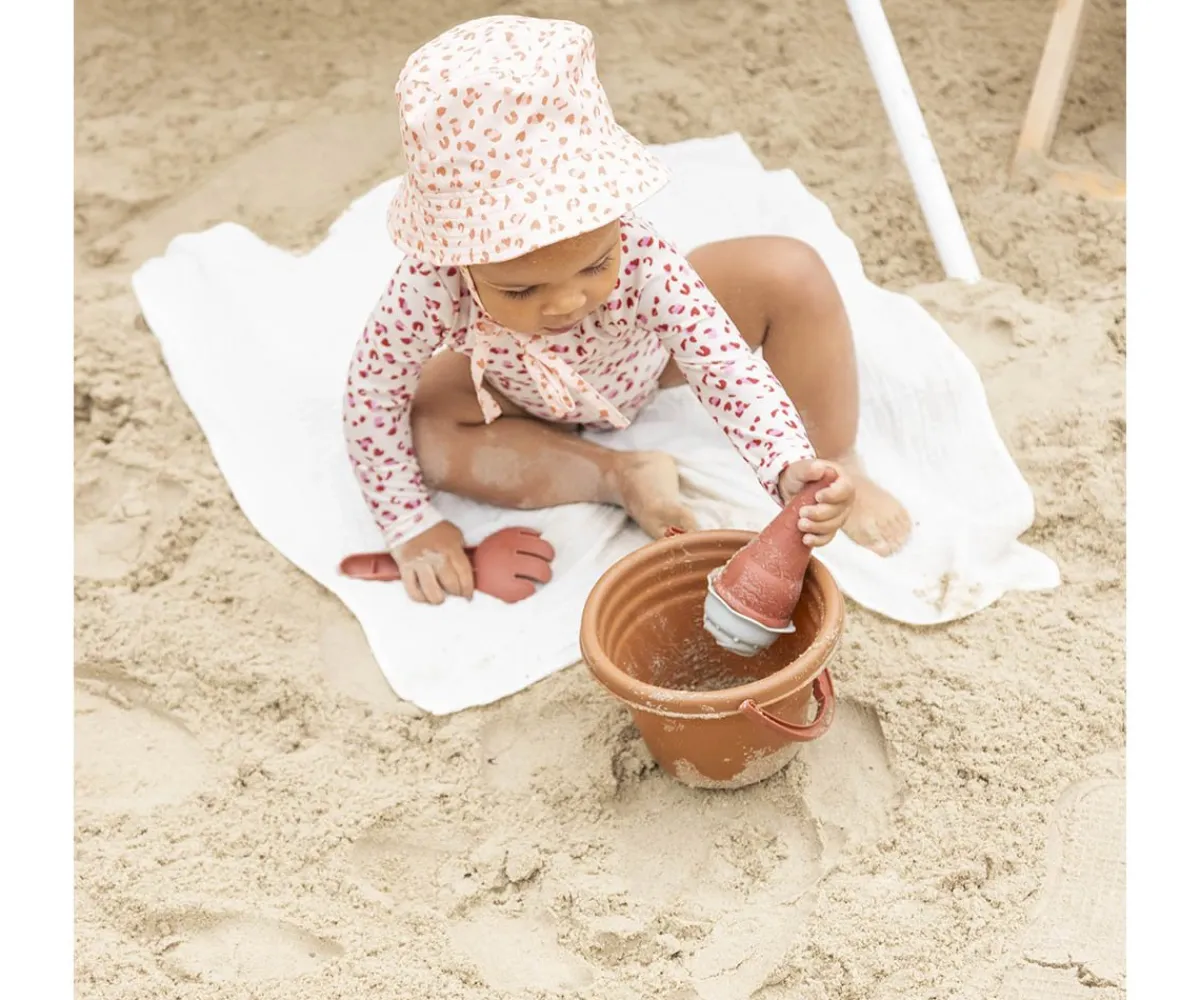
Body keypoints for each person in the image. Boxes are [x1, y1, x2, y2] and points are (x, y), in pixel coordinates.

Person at [343, 14, 911, 605]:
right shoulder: (431, 280)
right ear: (458, 255)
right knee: (425, 430)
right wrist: (407, 523)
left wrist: (789, 465)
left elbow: (723, 367)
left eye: (592, 266)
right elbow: (372, 393)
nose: (566, 303)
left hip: (646, 361)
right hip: (517, 388)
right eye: (519, 291)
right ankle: (620, 476)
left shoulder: (641, 254)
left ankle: (837, 457)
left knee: (790, 271)